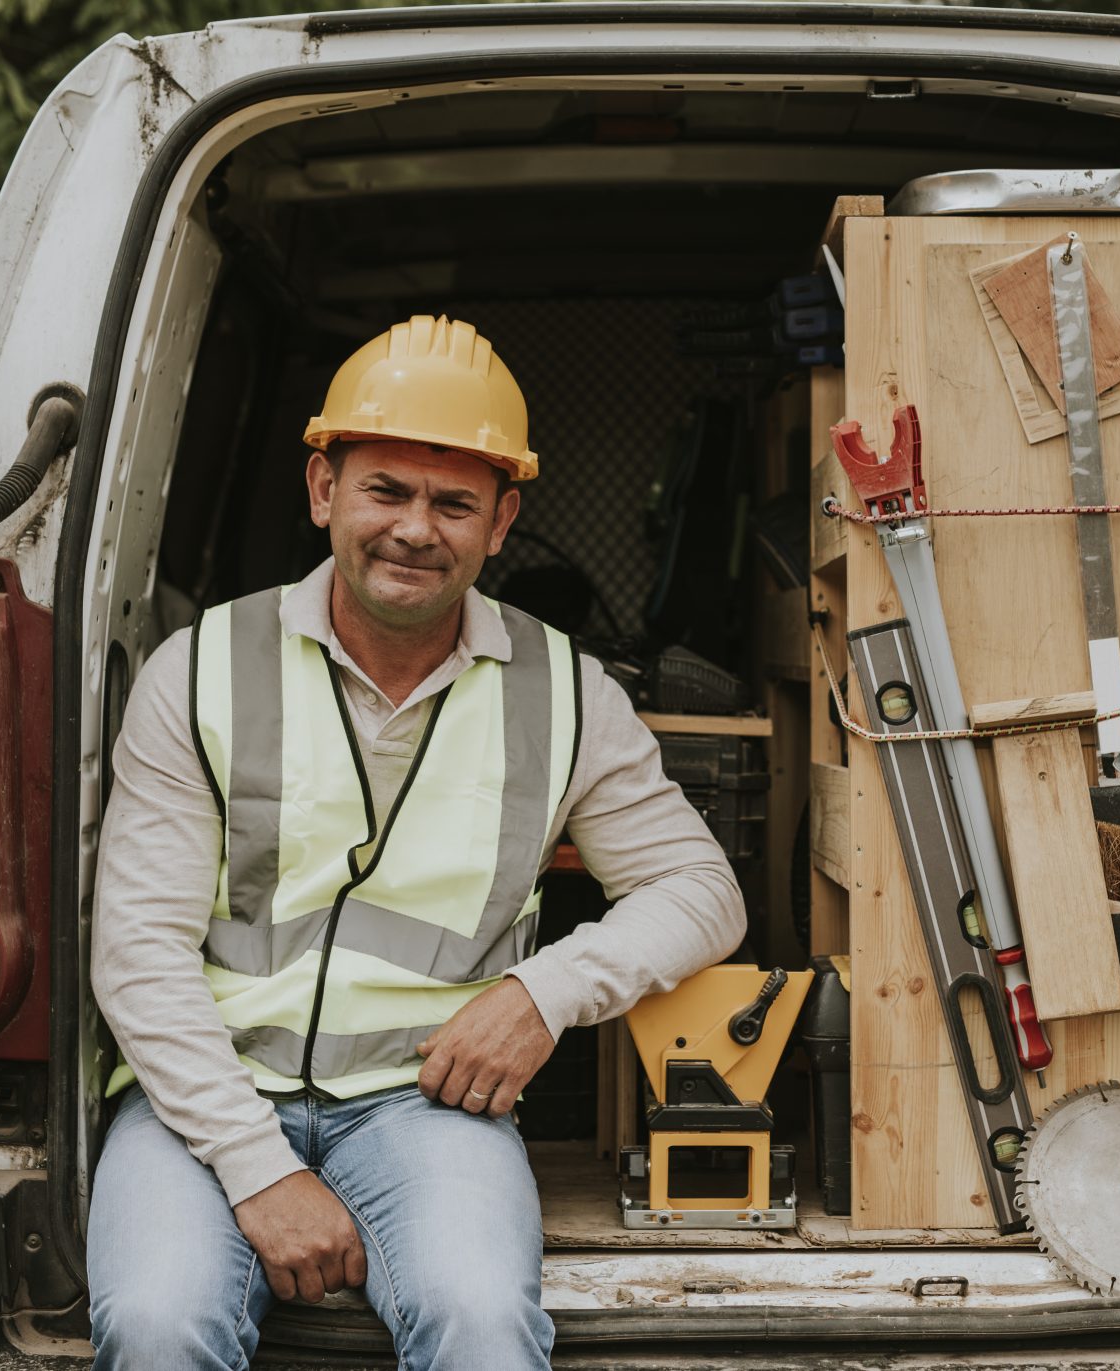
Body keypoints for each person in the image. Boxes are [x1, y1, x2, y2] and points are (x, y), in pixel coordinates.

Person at [85, 315, 746, 1368]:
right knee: (159, 1324)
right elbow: (138, 956)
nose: (414, 530)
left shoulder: (566, 691)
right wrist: (259, 1170)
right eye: (384, 490)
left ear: (502, 522)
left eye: (453, 503)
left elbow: (702, 890)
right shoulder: (201, 668)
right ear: (322, 493)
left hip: (426, 1111)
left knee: (482, 1325)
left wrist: (544, 996)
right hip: (204, 1098)